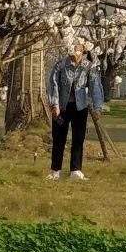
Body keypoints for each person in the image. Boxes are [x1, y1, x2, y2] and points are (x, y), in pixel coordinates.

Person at [45, 37, 104, 180]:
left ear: (83, 49)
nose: (75, 48)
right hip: (62, 107)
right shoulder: (61, 64)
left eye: (78, 46)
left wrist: (97, 108)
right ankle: (55, 170)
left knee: (78, 138)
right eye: (72, 45)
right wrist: (55, 105)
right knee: (59, 137)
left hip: (80, 107)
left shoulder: (88, 67)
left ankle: (76, 170)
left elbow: (95, 87)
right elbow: (53, 85)